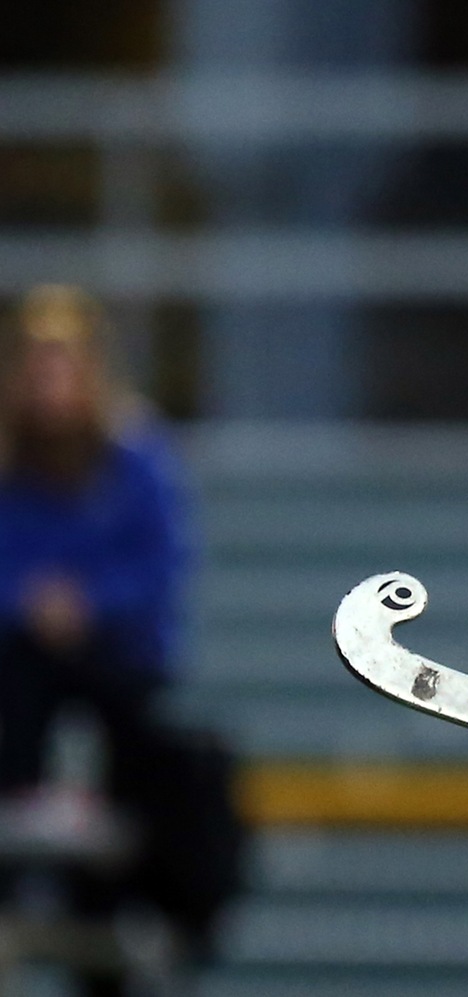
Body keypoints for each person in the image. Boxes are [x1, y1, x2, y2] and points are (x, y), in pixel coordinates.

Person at [0, 284, 199, 994]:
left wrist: (88, 602)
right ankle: (19, 839)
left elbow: (161, 565)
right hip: (24, 650)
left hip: (115, 653)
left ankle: (126, 877)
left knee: (141, 725)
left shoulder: (135, 454)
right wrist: (31, 602)